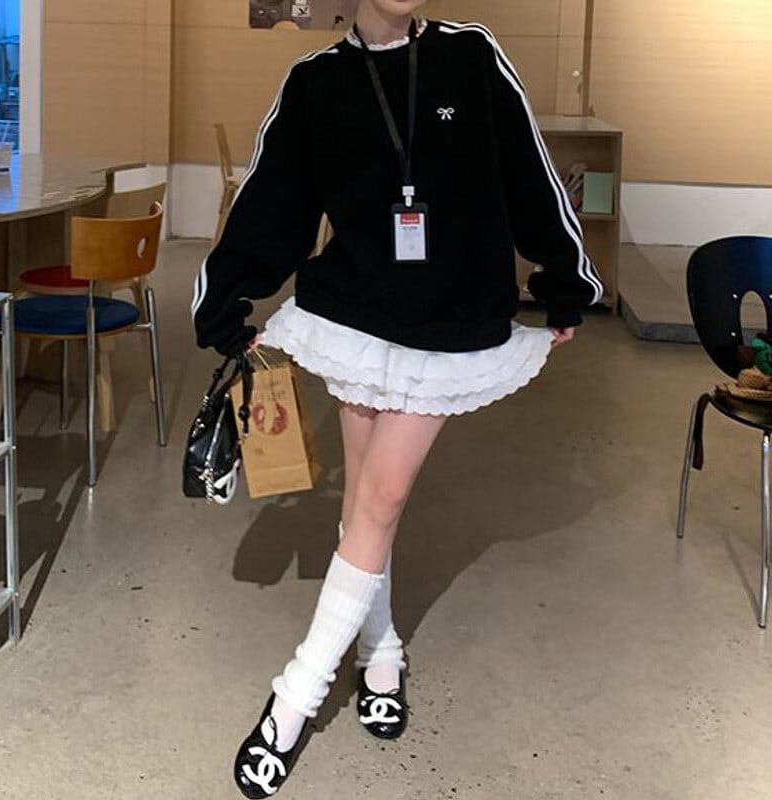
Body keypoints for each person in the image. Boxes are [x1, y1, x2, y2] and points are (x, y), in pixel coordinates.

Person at [192, 1, 604, 796]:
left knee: (379, 499)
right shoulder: (316, 82)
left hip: (450, 321)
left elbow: (530, 173)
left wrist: (565, 282)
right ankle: (380, 654)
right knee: (364, 509)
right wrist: (226, 303)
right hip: (353, 315)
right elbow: (273, 200)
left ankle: (294, 698)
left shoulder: (471, 56)